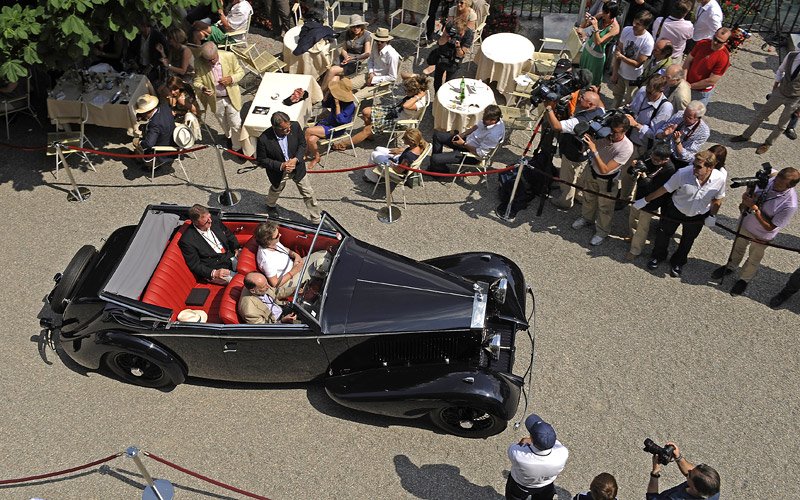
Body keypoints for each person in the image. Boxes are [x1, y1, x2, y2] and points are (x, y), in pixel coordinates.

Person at [634, 150, 726, 277]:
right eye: (694, 164)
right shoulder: (683, 173)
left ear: (710, 167)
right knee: (663, 234)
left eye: (699, 166)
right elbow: (664, 189)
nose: (694, 168)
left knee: (688, 240)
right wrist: (645, 200)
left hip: (697, 216)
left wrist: (712, 215)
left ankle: (678, 262)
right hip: (676, 210)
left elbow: (718, 197)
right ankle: (658, 256)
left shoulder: (720, 179)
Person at [710, 167, 799, 296]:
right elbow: (768, 173)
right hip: (745, 225)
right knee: (737, 248)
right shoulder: (772, 179)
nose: (774, 184)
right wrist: (747, 197)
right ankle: (730, 267)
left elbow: (770, 227)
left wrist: (755, 208)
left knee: (753, 259)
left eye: (779, 184)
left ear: (789, 186)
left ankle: (743, 280)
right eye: (776, 180)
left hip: (762, 235)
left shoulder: (790, 204)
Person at [571, 113, 634, 246]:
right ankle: (586, 218)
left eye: (616, 132)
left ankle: (602, 232)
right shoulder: (604, 133)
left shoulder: (627, 147)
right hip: (592, 172)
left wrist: (594, 150)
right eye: (611, 129)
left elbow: (606, 169)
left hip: (608, 180)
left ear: (625, 131)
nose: (612, 134)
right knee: (588, 198)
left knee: (605, 207)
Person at [729, 50, 800, 155]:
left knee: (782, 125)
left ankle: (768, 143)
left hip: (795, 98)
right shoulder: (791, 55)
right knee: (760, 115)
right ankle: (746, 136)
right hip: (780, 92)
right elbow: (780, 70)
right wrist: (775, 87)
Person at [256, 111, 322, 224]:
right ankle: (270, 205)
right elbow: (262, 160)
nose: (288, 130)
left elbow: (302, 145)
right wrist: (281, 166)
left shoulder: (295, 126)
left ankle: (316, 219)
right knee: (276, 189)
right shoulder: (264, 139)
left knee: (308, 192)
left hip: (298, 167)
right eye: (284, 129)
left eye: (289, 127)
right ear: (274, 127)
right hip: (279, 172)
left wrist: (296, 159)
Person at [545, 90, 606, 209]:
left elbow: (557, 126)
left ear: (590, 105)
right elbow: (601, 105)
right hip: (585, 152)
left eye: (582, 98)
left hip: (572, 153)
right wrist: (596, 94)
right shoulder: (600, 111)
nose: (578, 98)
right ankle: (579, 195)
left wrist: (549, 108)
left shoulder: (577, 122)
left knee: (567, 178)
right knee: (578, 175)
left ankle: (565, 201)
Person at [620, 75, 674, 201]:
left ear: (662, 90)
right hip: (629, 137)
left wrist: (636, 125)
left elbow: (655, 134)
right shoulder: (643, 91)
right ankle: (625, 195)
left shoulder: (665, 107)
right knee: (626, 172)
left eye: (651, 93)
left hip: (643, 146)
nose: (648, 95)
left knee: (635, 174)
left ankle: (630, 199)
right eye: (647, 91)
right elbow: (633, 107)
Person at [343, 74, 429, 148]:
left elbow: (406, 105)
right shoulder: (417, 87)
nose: (405, 92)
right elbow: (403, 74)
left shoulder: (419, 102)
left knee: (367, 129)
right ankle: (369, 135)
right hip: (395, 111)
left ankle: (343, 145)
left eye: (407, 91)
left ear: (414, 92)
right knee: (366, 111)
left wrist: (417, 97)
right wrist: (415, 77)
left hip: (399, 121)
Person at [625, 143, 676, 260]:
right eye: (652, 157)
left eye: (657, 160)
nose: (653, 160)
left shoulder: (669, 169)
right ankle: (632, 236)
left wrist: (644, 175)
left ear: (666, 159)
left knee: (643, 225)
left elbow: (655, 188)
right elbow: (634, 167)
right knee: (633, 216)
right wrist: (634, 164)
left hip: (653, 199)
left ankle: (635, 250)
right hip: (639, 192)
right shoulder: (650, 155)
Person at [193, 42, 245, 153]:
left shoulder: (229, 56)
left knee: (235, 124)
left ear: (217, 52)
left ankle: (237, 148)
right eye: (209, 60)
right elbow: (196, 81)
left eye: (214, 58)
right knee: (223, 122)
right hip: (216, 100)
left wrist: (231, 78)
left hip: (231, 97)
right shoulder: (199, 62)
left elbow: (240, 72)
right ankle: (228, 137)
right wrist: (202, 88)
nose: (212, 62)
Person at [254, 221, 328, 299]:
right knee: (321, 262)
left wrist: (296, 256)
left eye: (278, 232)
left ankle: (321, 277)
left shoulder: (273, 243)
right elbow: (275, 284)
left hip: (295, 266)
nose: (280, 235)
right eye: (277, 236)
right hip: (289, 280)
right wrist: (294, 271)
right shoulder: (266, 260)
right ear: (268, 241)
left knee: (324, 253)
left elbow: (286, 250)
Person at [505, 413, 569, 500]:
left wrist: (525, 442)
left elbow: (512, 448)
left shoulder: (519, 456)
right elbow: (555, 444)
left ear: (531, 438)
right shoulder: (563, 453)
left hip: (521, 485)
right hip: (546, 485)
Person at [427, 104, 504, 174]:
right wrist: (462, 135)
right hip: (466, 141)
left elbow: (481, 153)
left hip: (471, 155)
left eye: (485, 119)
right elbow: (476, 126)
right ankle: (437, 168)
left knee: (434, 158)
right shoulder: (488, 119)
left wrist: (463, 144)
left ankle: (437, 167)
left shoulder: (493, 135)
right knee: (437, 135)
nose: (483, 120)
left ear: (493, 121)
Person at [178, 204, 241, 284]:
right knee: (241, 281)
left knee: (250, 270)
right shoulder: (187, 240)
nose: (210, 221)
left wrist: (236, 248)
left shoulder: (214, 220)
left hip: (230, 256)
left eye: (209, 217)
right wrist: (214, 273)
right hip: (216, 267)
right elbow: (195, 264)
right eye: (206, 221)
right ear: (196, 222)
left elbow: (229, 234)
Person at [304, 78, 357, 170]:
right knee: (311, 140)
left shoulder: (350, 106)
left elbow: (341, 121)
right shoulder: (335, 98)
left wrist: (337, 106)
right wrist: (328, 93)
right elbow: (324, 104)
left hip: (336, 128)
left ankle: (305, 152)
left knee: (308, 130)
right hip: (326, 123)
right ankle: (317, 157)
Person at [610, 10, 655, 108]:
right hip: (621, 72)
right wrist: (615, 72)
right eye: (634, 21)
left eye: (638, 24)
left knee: (629, 101)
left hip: (633, 77)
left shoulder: (648, 41)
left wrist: (622, 57)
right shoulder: (627, 30)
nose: (634, 25)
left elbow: (637, 63)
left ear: (645, 26)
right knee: (617, 96)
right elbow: (619, 50)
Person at [646, 442, 720, 499]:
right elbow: (695, 473)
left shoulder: (674, 498)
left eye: (690, 474)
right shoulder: (712, 489)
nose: (689, 471)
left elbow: (652, 497)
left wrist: (655, 473)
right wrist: (678, 457)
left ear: (694, 488)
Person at [321, 15, 371, 93]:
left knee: (332, 70)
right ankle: (330, 96)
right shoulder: (349, 33)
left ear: (362, 26)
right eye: (353, 26)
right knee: (335, 78)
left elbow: (367, 53)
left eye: (358, 26)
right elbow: (344, 49)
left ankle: (321, 91)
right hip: (344, 58)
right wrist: (346, 56)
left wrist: (353, 58)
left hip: (355, 62)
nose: (355, 29)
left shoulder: (366, 35)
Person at [682, 28, 731, 107]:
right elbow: (688, 60)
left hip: (700, 92)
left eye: (719, 42)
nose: (715, 42)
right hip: (686, 84)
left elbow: (711, 81)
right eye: (715, 38)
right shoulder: (702, 43)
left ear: (726, 42)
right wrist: (684, 79)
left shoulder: (724, 58)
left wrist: (690, 86)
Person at [654, 101, 710, 169]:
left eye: (689, 117)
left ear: (698, 118)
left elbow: (689, 156)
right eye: (684, 114)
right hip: (663, 152)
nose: (684, 118)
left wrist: (678, 142)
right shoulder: (679, 115)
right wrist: (664, 134)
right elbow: (658, 134)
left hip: (678, 161)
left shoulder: (703, 132)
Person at [578, 1, 621, 89]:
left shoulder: (615, 28)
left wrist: (596, 28)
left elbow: (599, 42)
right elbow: (582, 27)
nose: (603, 14)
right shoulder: (601, 15)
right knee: (581, 76)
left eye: (605, 13)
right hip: (587, 50)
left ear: (611, 14)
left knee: (594, 82)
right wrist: (586, 20)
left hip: (597, 57)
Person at [423, 19, 473, 91]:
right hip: (442, 55)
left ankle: (445, 97)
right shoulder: (450, 26)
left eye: (460, 33)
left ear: (464, 29)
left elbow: (461, 55)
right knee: (437, 80)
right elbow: (440, 43)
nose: (458, 35)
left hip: (454, 59)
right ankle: (437, 95)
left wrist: (458, 46)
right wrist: (446, 36)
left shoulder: (469, 34)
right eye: (456, 32)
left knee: (449, 82)